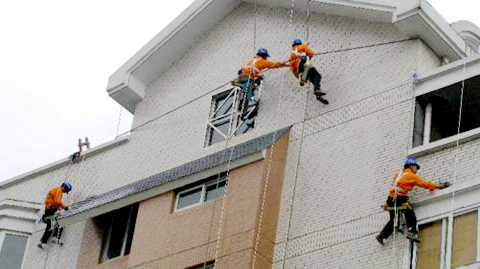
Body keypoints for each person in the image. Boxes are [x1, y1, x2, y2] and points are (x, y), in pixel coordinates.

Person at [376, 158, 447, 245]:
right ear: (411, 166)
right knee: (410, 214)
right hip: (399, 199)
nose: (416, 170)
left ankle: (382, 235)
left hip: (391, 199)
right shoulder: (411, 176)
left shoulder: (399, 173)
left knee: (393, 220)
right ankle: (411, 232)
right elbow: (424, 184)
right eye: (416, 167)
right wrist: (437, 186)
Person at [289, 39, 328, 104]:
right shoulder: (302, 47)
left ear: (293, 45)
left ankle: (304, 78)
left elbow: (293, 69)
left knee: (310, 77)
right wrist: (310, 54)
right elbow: (310, 52)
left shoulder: (291, 55)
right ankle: (317, 89)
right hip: (305, 64)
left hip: (300, 68)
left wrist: (297, 76)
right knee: (317, 76)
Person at [38, 183, 72, 249]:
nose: (65, 192)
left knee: (49, 226)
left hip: (47, 209)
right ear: (64, 188)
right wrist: (65, 207)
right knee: (60, 220)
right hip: (51, 209)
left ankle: (42, 242)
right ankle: (55, 237)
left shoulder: (55, 190)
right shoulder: (59, 190)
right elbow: (58, 202)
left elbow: (53, 201)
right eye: (65, 191)